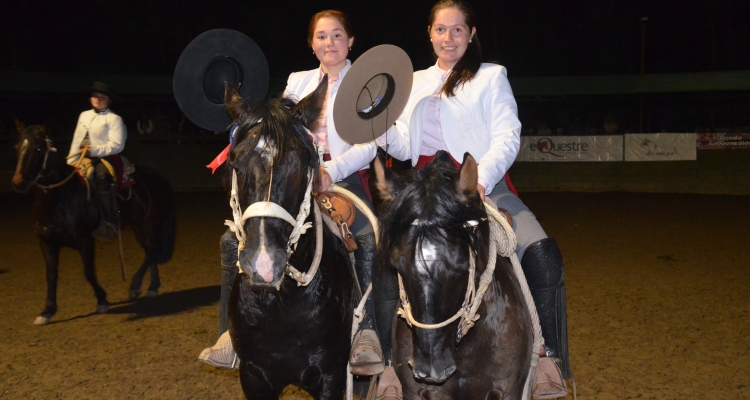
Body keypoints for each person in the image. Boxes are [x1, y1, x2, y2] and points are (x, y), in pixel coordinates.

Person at [377, 1, 571, 398]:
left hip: (478, 182)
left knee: (543, 255)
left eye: (458, 30)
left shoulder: (490, 76)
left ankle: (549, 357)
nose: (449, 38)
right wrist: (376, 123)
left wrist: (481, 177)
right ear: (430, 33)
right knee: (388, 257)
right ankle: (386, 366)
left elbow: (507, 135)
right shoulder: (412, 81)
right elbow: (402, 143)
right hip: (425, 190)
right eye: (441, 30)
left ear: (471, 34)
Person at [199, 10, 385, 377]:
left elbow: (371, 141)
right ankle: (228, 333)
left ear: (351, 41)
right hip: (293, 175)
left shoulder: (366, 84)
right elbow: (278, 130)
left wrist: (331, 171)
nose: (328, 43)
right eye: (321, 36)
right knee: (229, 240)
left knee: (364, 236)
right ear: (311, 43)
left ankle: (368, 332)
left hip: (341, 177)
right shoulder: (297, 81)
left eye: (336, 35)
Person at [67, 82, 126, 241]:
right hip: (82, 156)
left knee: (101, 178)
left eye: (102, 97)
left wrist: (93, 150)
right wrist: (71, 158)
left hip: (105, 157)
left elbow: (117, 145)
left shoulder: (114, 119)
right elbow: (77, 138)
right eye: (95, 96)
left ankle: (111, 222)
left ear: (109, 100)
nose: (98, 99)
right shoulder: (83, 115)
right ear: (90, 98)